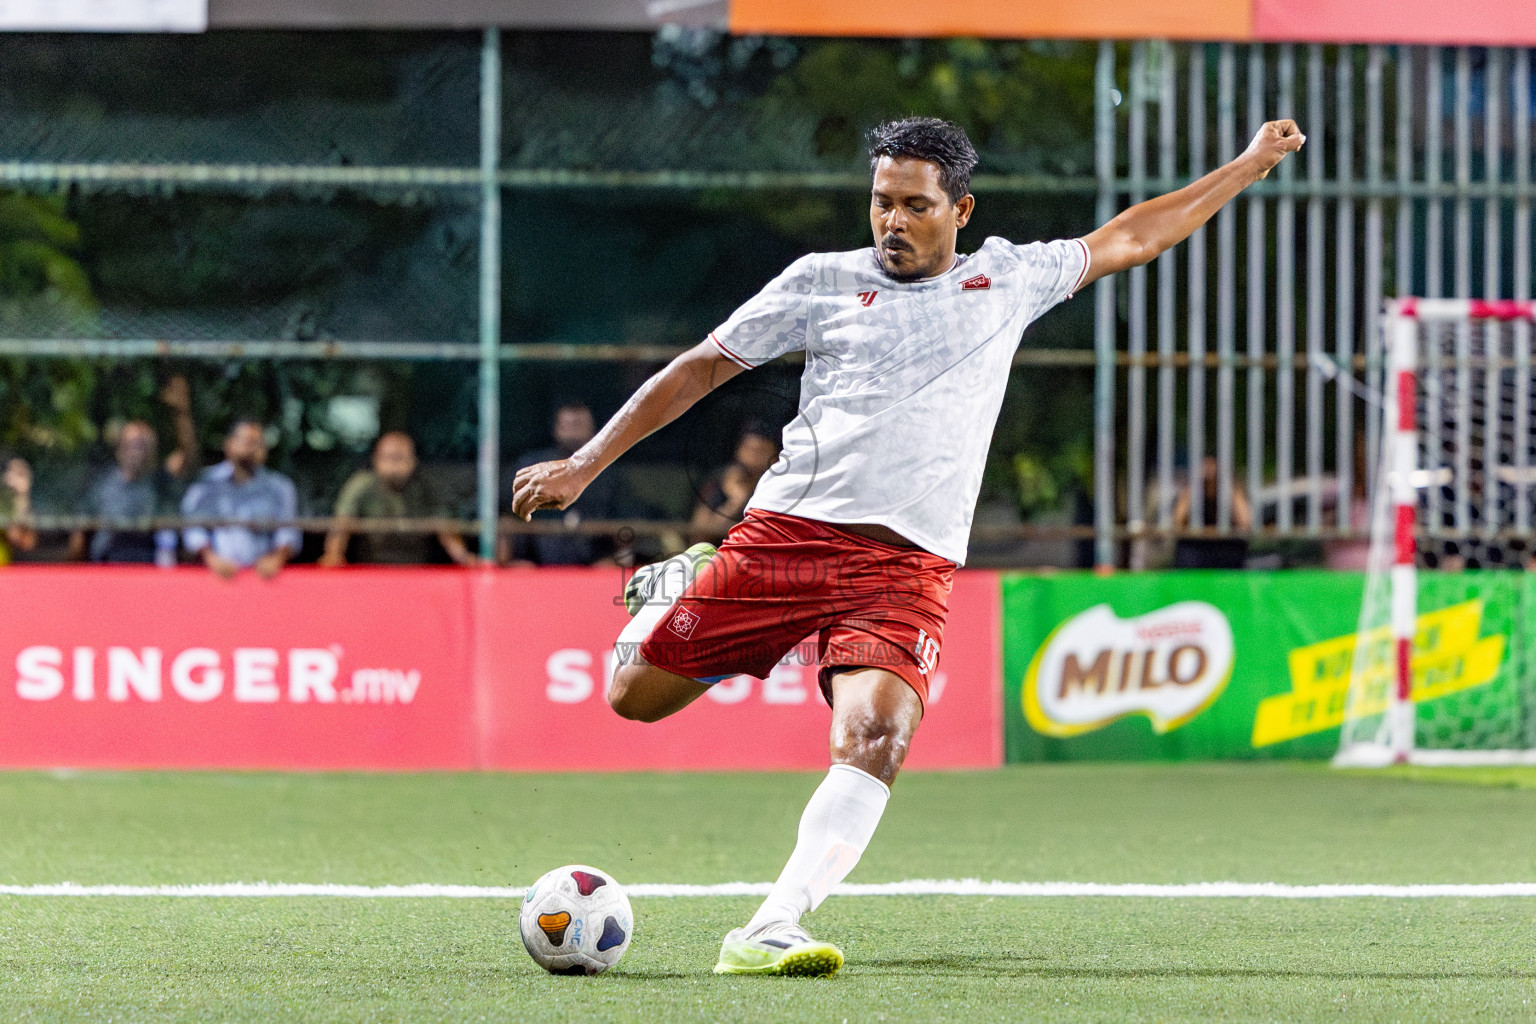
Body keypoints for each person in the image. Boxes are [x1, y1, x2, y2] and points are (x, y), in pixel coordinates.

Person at [512, 115, 1304, 975]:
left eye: (915, 206)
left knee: (878, 737)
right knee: (634, 696)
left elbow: (1134, 235)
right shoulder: (820, 280)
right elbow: (703, 366)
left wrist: (1248, 165)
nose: (892, 220)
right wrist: (587, 463)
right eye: (882, 202)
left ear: (960, 210)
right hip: (791, 535)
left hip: (908, 565)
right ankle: (682, 582)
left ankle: (773, 924)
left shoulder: (1009, 277)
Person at [68, 375, 200, 565]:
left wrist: (182, 412)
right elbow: (80, 532)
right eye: (133, 444)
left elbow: (187, 456)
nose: (138, 450)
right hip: (107, 566)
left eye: (144, 444)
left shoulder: (160, 480)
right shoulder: (100, 483)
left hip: (148, 567)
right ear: (120, 448)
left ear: (154, 451)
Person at [319, 431, 477, 567]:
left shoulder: (426, 487)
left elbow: (445, 528)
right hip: (370, 567)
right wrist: (334, 554)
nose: (393, 466)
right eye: (388, 457)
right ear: (376, 460)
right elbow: (342, 524)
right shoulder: (361, 485)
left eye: (399, 458)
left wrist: (463, 557)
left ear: (413, 461)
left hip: (416, 568)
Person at [502, 400, 625, 566]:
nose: (574, 430)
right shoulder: (532, 465)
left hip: (593, 563)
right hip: (535, 562)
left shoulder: (608, 473)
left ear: (593, 428)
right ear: (556, 428)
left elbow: (625, 522)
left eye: (579, 424)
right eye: (569, 424)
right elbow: (504, 513)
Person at [180, 420, 299, 580]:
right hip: (217, 577)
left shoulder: (279, 487)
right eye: (248, 442)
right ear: (229, 444)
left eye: (259, 443)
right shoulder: (207, 484)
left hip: (265, 578)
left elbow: (288, 531)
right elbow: (192, 525)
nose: (253, 449)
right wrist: (211, 558)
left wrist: (276, 559)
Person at [688, 421, 780, 543]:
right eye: (748, 449)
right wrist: (735, 501)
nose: (753, 457)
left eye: (761, 451)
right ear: (738, 450)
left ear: (775, 456)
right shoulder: (718, 482)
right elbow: (699, 534)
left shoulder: (778, 487)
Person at [1171, 455, 1253, 569]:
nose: (1209, 470)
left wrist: (1227, 484)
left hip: (1225, 546)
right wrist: (1195, 484)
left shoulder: (1232, 490)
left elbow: (1245, 522)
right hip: (1197, 547)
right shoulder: (1191, 491)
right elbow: (1177, 521)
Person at [0, 457, 37, 565]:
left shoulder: (38, 509)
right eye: (10, 473)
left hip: (27, 567)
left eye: (20, 474)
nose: (13, 480)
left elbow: (29, 544)